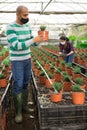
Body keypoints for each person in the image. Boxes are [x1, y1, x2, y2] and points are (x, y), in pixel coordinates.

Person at [6, 5, 46, 123]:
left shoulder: (27, 26)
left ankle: (24, 107)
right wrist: (33, 40)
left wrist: (38, 41)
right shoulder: (10, 27)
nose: (27, 17)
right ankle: (18, 112)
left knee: (25, 82)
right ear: (18, 14)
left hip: (27, 59)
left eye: (28, 14)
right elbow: (16, 46)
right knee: (18, 83)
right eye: (24, 15)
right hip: (17, 60)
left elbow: (30, 41)